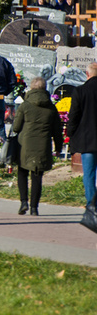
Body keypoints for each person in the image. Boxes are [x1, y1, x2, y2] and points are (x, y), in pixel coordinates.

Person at [11, 77, 63, 216]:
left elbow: (16, 128)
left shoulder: (25, 105)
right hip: (43, 144)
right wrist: (58, 147)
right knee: (37, 176)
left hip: (24, 145)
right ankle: (34, 208)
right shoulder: (51, 108)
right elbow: (57, 131)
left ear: (31, 88)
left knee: (22, 172)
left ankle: (23, 202)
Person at [67, 62, 97, 207]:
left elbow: (73, 116)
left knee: (89, 174)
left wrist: (70, 134)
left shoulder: (80, 91)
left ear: (87, 74)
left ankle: (91, 203)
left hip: (87, 140)